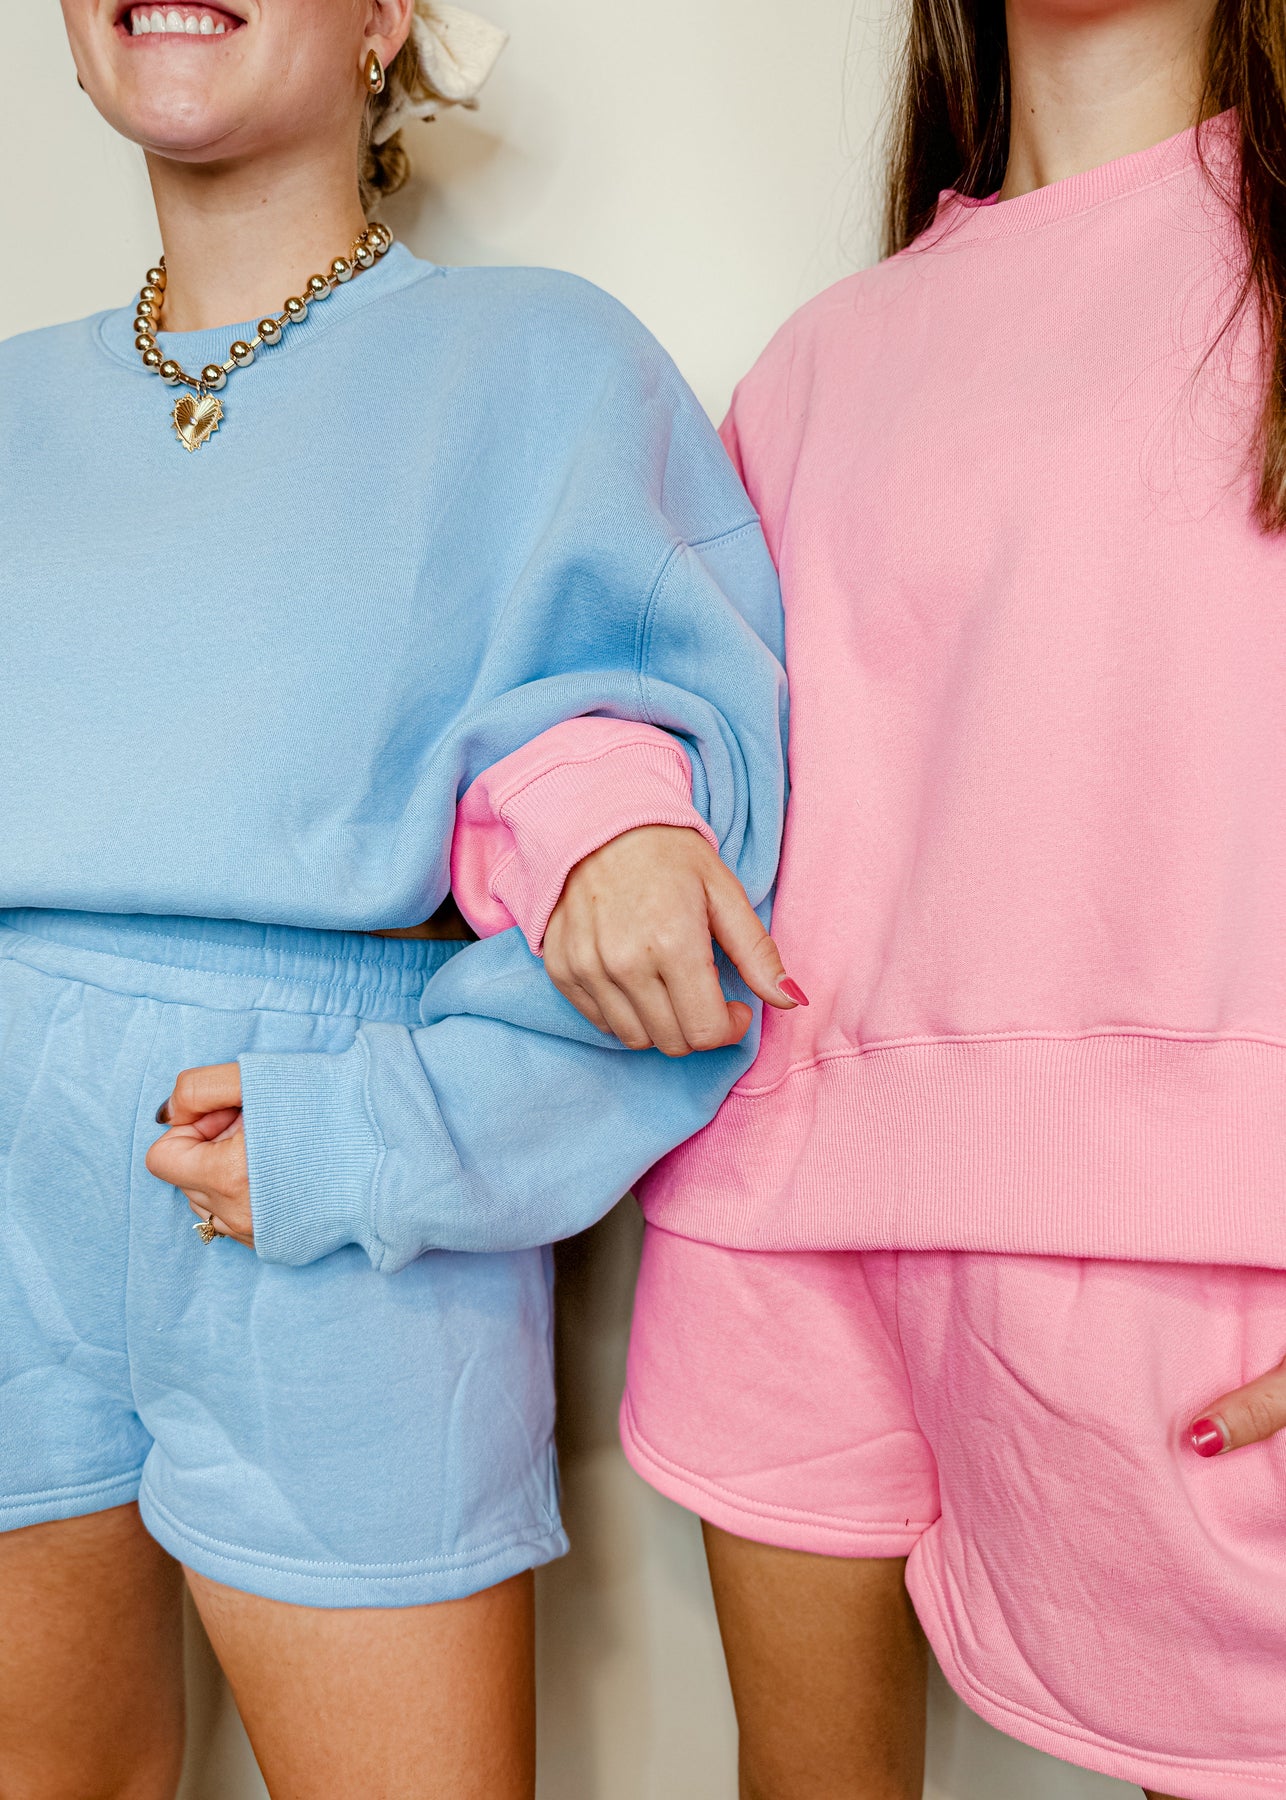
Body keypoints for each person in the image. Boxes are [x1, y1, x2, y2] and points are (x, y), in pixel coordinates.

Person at [0, 3, 796, 1794]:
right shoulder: (9, 403)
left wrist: (382, 1138)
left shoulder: (542, 366)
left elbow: (686, 883)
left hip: (329, 1187)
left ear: (383, 21)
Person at [539, 0, 1286, 1794]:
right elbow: (639, 704)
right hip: (776, 1219)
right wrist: (595, 816)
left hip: (1204, 1245)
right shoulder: (816, 361)